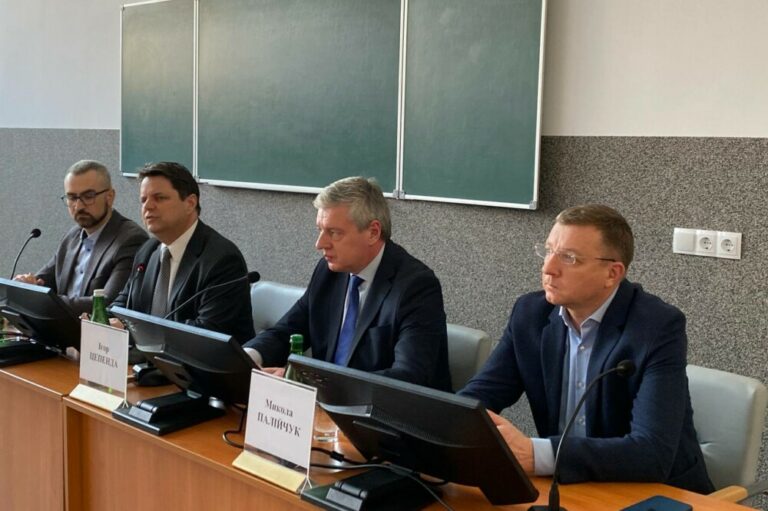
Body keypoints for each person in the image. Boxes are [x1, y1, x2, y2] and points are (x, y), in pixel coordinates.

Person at [460, 204, 714, 493]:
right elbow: (482, 394)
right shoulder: (530, 313)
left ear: (612, 273)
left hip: (656, 492)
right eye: (548, 251)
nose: (548, 268)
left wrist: (537, 454)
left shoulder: (656, 327)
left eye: (569, 258)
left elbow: (652, 452)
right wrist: (448, 434)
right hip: (569, 486)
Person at [244, 176, 451, 391]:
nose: (320, 244)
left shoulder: (416, 286)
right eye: (320, 230)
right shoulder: (329, 271)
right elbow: (287, 329)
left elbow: (409, 377)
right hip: (325, 406)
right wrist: (248, 357)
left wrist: (312, 382)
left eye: (334, 233)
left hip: (385, 410)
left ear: (373, 232)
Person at [111, 162, 254, 343]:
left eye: (159, 198)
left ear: (190, 203)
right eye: (143, 200)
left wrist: (132, 331)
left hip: (200, 360)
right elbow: (122, 305)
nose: (148, 206)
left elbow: (205, 333)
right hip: (147, 357)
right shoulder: (148, 250)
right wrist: (105, 320)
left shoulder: (222, 259)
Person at [14, 160, 147, 315]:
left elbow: (106, 305)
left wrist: (42, 300)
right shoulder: (73, 235)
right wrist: (26, 286)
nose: (79, 206)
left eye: (88, 196)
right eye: (72, 198)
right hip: (60, 326)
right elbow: (43, 280)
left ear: (110, 197)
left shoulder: (131, 240)